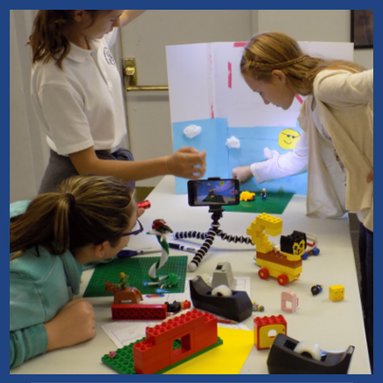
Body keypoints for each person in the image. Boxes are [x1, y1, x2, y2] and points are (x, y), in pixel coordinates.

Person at [232, 31, 373, 370]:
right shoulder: (312, 103)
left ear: (278, 77)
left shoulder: (326, 84)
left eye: (261, 91)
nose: (264, 100)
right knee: (368, 305)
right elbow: (297, 158)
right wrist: (249, 170)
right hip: (368, 215)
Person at [29, 10, 206, 194]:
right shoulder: (55, 78)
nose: (116, 24)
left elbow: (126, 14)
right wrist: (167, 165)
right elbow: (88, 166)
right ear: (80, 14)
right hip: (77, 184)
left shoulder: (91, 36)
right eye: (112, 19)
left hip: (105, 171)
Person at [10, 174, 141, 368]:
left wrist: (109, 248)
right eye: (132, 230)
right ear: (101, 247)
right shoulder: (35, 283)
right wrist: (52, 334)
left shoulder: (38, 211)